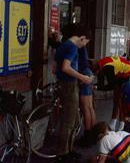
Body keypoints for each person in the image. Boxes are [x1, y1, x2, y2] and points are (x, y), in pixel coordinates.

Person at [54, 24, 93, 162]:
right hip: (69, 86)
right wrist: (82, 77)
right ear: (82, 38)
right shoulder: (72, 47)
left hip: (65, 84)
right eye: (85, 42)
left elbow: (56, 68)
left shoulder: (63, 45)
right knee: (69, 122)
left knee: (75, 120)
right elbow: (65, 67)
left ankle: (69, 150)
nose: (84, 46)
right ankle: (63, 154)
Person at [95, 56, 130, 131]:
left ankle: (122, 125)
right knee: (116, 99)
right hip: (119, 73)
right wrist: (97, 86)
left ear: (97, 69)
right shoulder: (100, 66)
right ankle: (113, 123)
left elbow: (111, 86)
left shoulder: (107, 68)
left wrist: (97, 88)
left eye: (95, 73)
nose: (95, 75)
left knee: (121, 101)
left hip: (127, 72)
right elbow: (101, 84)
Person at [76, 36, 96, 147]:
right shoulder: (82, 44)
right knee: (89, 107)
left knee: (85, 108)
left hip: (83, 73)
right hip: (87, 72)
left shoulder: (76, 43)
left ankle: (87, 136)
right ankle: (92, 135)